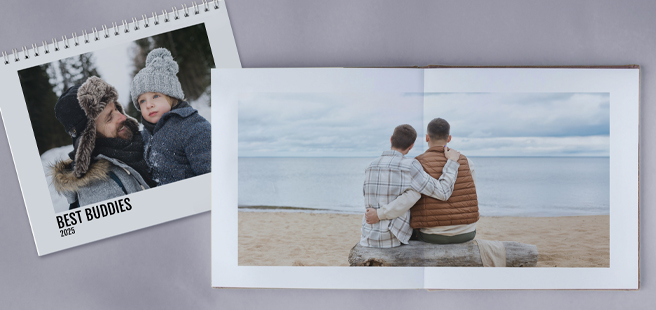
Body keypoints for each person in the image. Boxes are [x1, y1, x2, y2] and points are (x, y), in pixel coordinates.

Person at [366, 118, 479, 244]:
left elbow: (411, 198)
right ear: (449, 138)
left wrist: (380, 214)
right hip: (467, 232)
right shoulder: (467, 162)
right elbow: (470, 192)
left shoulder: (417, 163)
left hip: (432, 235)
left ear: (426, 138)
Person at [51, 77, 154, 210]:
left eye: (116, 108)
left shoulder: (138, 145)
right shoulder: (100, 193)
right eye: (109, 118)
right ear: (89, 137)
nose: (122, 117)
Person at [130, 48, 211, 186]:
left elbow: (211, 174)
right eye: (142, 101)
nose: (149, 105)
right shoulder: (145, 135)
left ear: (171, 96)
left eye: (155, 96)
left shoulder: (193, 127)